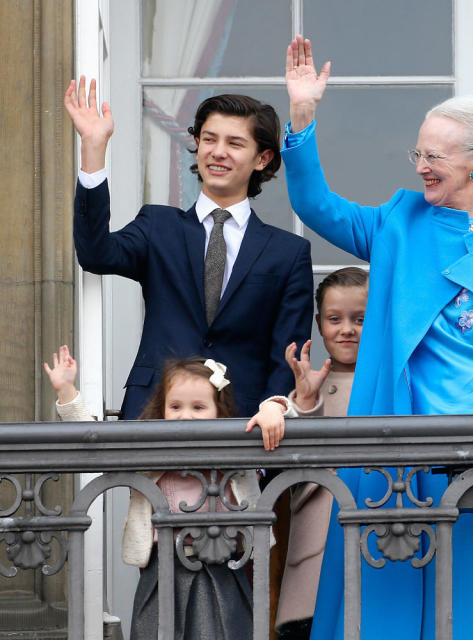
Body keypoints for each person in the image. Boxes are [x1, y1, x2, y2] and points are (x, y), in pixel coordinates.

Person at [282, 36, 473, 639]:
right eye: (418, 152)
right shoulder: (397, 222)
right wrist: (303, 116)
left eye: (434, 155)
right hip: (396, 448)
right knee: (381, 613)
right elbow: (315, 203)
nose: (421, 166)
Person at [65, 79, 314, 418]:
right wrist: (93, 149)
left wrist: (275, 406)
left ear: (262, 158)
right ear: (197, 145)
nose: (218, 151)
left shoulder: (288, 253)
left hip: (243, 425)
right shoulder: (158, 225)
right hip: (154, 413)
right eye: (208, 139)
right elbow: (96, 253)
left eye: (235, 143)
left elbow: (288, 353)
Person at [44, 346, 280, 639]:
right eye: (176, 406)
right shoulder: (150, 454)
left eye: (198, 407)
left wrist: (273, 408)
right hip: (164, 571)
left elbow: (285, 424)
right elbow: (97, 445)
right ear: (163, 409)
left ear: (219, 410)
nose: (186, 416)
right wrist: (67, 392)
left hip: (224, 570)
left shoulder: (236, 451)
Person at [251, 267, 368, 640]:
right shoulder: (308, 383)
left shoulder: (390, 382)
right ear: (319, 324)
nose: (346, 329)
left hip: (376, 549)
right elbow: (288, 423)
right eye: (335, 319)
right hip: (314, 560)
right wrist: (292, 402)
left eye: (360, 319)